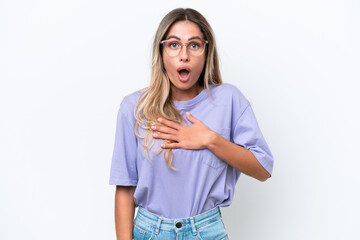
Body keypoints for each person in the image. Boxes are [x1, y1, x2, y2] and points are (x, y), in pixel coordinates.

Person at [109, 8, 273, 240]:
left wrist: (210, 140)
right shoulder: (134, 107)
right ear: (161, 51)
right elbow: (125, 189)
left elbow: (263, 169)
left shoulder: (228, 100)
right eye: (174, 45)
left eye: (194, 45)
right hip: (149, 232)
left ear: (206, 52)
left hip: (206, 231)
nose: (184, 55)